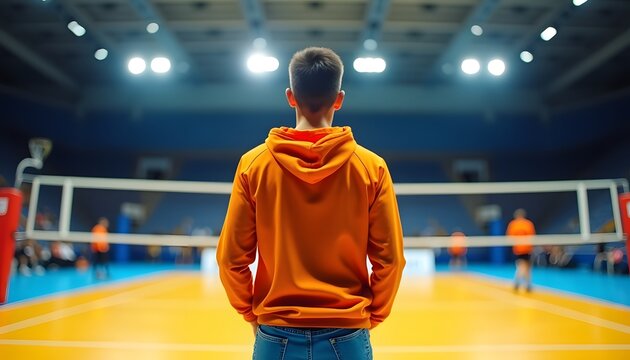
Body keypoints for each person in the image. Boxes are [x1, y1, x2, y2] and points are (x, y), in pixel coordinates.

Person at [216, 47, 406, 360]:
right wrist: (372, 316)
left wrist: (250, 314)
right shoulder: (372, 167)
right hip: (348, 334)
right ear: (339, 98)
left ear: (290, 96)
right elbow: (391, 260)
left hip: (275, 333)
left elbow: (230, 259)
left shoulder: (254, 164)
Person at [506, 208, 535, 292]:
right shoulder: (528, 224)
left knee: (523, 266)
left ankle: (523, 283)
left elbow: (509, 236)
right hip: (527, 248)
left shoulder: (513, 224)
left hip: (518, 248)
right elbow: (532, 236)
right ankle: (524, 283)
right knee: (525, 266)